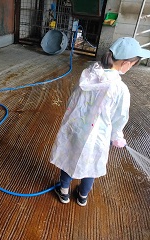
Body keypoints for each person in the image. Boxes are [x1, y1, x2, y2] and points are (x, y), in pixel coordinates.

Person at [50, 37, 150, 206]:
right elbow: (120, 117)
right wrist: (116, 136)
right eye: (133, 64)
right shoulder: (120, 89)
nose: (132, 67)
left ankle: (64, 192)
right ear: (126, 63)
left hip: (76, 126)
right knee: (92, 161)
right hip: (98, 133)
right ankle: (82, 196)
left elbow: (73, 99)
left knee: (70, 155)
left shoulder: (89, 74)